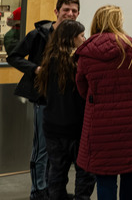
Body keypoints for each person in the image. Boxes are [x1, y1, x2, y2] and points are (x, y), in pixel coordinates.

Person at [75, 5, 132, 200]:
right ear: (118, 22)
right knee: (131, 171)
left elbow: (82, 88)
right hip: (131, 120)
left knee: (104, 176)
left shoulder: (86, 53)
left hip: (99, 123)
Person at [8, 0, 80, 200]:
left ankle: (54, 190)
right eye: (66, 9)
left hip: (66, 104)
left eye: (74, 10)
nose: (70, 14)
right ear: (56, 12)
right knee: (42, 150)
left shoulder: (75, 37)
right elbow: (14, 56)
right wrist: (36, 69)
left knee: (60, 153)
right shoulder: (38, 35)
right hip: (43, 100)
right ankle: (38, 191)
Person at [34, 19, 96, 200]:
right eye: (82, 36)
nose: (85, 40)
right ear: (71, 39)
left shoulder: (48, 61)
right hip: (76, 128)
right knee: (84, 171)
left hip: (52, 126)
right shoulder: (79, 63)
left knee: (56, 171)